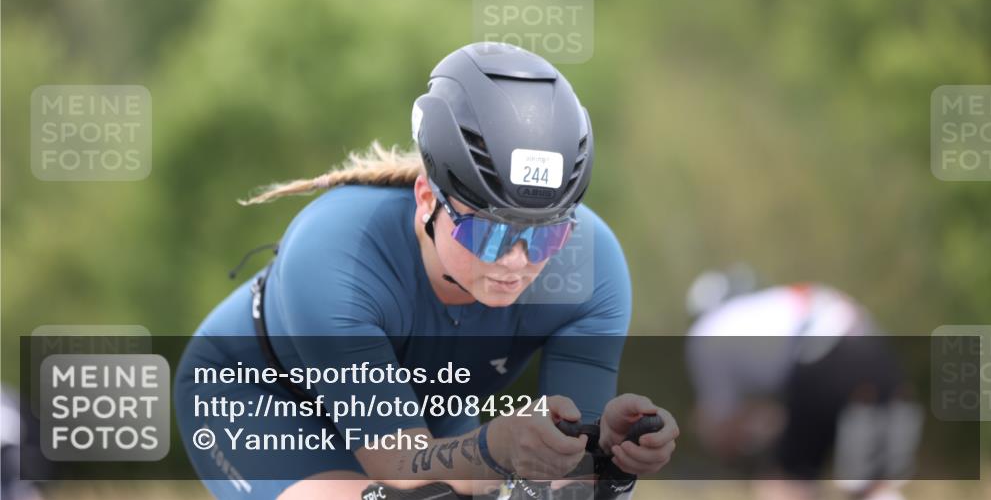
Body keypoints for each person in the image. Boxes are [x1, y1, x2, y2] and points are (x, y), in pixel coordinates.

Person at [175, 42, 679, 500]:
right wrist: (494, 449)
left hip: (424, 412)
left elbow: (568, 487)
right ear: (426, 201)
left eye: (544, 235)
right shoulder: (336, 251)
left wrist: (610, 457)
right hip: (261, 400)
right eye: (489, 232)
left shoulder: (593, 265)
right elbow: (402, 469)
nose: (515, 260)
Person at [684, 265, 923, 500]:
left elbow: (722, 424)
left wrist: (756, 435)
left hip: (821, 360)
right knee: (872, 486)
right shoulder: (776, 302)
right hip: (879, 358)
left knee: (783, 485)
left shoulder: (704, 334)